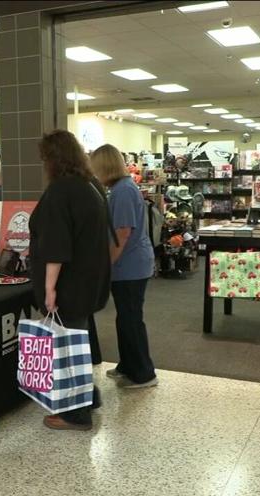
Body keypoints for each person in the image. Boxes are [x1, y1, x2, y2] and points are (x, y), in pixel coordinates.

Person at [29, 129, 111, 431]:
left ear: (52, 159)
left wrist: (49, 288)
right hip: (89, 280)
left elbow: (55, 246)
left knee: (66, 347)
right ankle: (88, 396)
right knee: (78, 340)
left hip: (68, 284)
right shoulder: (91, 186)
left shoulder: (60, 191)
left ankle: (76, 414)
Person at [91, 144, 158, 389]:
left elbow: (121, 233)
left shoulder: (123, 191)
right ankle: (128, 365)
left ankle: (144, 373)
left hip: (130, 266)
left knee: (130, 319)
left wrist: (106, 266)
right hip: (129, 265)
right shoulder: (122, 189)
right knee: (125, 318)